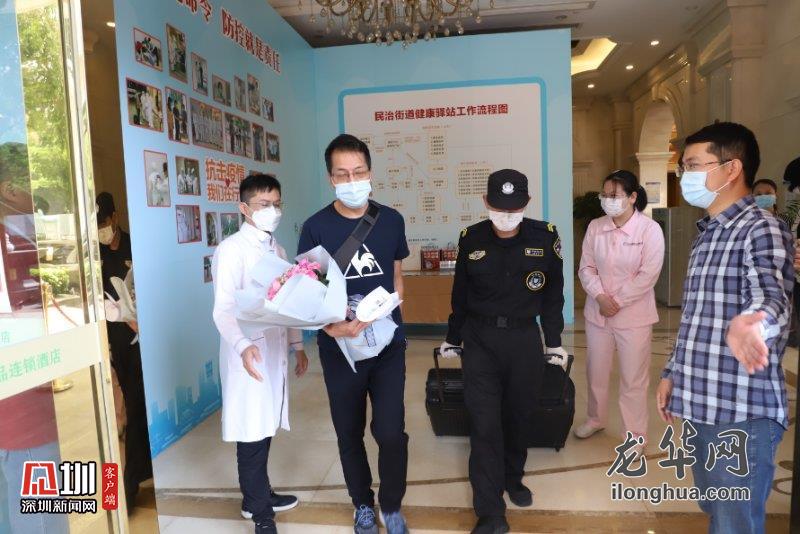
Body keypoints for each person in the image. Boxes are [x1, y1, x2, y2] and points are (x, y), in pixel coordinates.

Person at [656, 122, 793, 534]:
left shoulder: (760, 227)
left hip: (741, 410)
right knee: (716, 508)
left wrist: (754, 325)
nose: (686, 175)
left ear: (731, 168)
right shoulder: (707, 235)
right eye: (684, 167)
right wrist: (671, 372)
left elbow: (772, 297)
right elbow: (696, 317)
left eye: (694, 165)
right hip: (701, 401)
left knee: (735, 522)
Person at [440, 169, 566, 534]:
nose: (506, 215)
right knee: (484, 424)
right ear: (485, 202)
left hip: (524, 339)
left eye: (513, 208)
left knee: (518, 415)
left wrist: (554, 341)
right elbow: (460, 295)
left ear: (526, 204)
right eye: (498, 207)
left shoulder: (545, 237)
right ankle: (490, 511)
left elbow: (553, 295)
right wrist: (453, 337)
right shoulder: (471, 239)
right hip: (480, 340)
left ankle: (512, 476)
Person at [297, 134, 410, 534]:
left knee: (390, 432)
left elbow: (397, 278)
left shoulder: (391, 220)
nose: (352, 180)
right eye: (342, 174)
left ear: (370, 173)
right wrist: (334, 328)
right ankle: (362, 504)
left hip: (387, 344)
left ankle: (391, 506)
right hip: (340, 348)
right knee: (349, 432)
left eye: (358, 172)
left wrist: (388, 311)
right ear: (331, 179)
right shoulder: (315, 228)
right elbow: (309, 295)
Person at [212, 174, 308, 534]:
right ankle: (261, 516)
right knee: (251, 432)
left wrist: (297, 345)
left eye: (277, 204)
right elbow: (222, 310)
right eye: (264, 205)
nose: (273, 211)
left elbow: (288, 304)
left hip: (273, 353)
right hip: (248, 355)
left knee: (265, 426)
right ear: (244, 208)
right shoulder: (231, 250)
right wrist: (242, 345)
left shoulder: (278, 250)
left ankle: (258, 496)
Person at [574, 170, 664, 455]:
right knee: (596, 371)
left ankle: (635, 435)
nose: (607, 200)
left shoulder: (649, 230)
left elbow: (649, 274)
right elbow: (586, 267)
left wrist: (617, 301)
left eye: (614, 195)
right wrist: (601, 297)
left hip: (634, 316)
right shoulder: (596, 227)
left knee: (633, 378)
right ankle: (595, 419)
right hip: (598, 313)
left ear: (632, 197)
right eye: (605, 195)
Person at [96, 192, 153, 511]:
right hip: (119, 343)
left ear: (115, 218)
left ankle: (137, 477)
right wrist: (120, 316)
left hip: (145, 338)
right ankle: (126, 487)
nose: (102, 231)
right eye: (97, 226)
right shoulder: (96, 255)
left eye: (104, 223)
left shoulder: (136, 245)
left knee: (141, 408)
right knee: (130, 410)